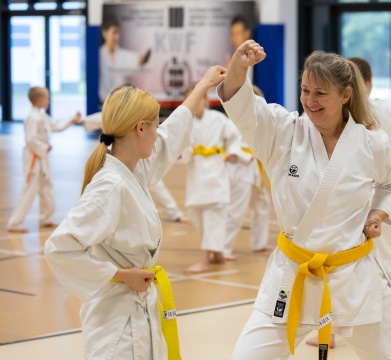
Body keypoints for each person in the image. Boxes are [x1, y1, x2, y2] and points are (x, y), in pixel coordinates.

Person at [220, 40, 391, 359]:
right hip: (291, 274)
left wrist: (378, 214)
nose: (310, 101)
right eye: (305, 90)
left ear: (345, 95)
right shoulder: (283, 133)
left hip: (352, 277)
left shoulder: (371, 143)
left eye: (320, 93)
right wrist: (240, 67)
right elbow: (243, 109)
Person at [44, 66, 226, 359]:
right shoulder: (110, 186)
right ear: (140, 128)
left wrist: (203, 85)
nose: (158, 134)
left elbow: (171, 134)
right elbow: (59, 249)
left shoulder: (133, 167)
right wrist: (120, 274)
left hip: (136, 311)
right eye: (155, 126)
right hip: (116, 324)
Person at [306, 56, 391, 348]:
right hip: (367, 198)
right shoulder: (380, 109)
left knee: (376, 262)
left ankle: (383, 318)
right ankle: (341, 324)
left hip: (375, 194)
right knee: (373, 260)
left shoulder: (367, 123)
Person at [181, 82, 244, 273]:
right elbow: (181, 145)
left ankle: (205, 259)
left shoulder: (218, 119)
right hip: (196, 172)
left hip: (216, 170)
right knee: (197, 215)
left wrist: (232, 152)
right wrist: (187, 152)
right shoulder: (186, 123)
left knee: (213, 215)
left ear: (206, 100)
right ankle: (216, 254)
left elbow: (235, 137)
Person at [83, 112, 190, 223]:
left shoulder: (139, 116)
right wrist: (82, 121)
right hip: (120, 156)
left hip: (137, 156)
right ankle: (174, 212)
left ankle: (174, 213)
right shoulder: (118, 112)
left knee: (157, 187)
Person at [6, 87, 82, 233]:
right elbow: (30, 139)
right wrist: (44, 147)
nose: (49, 101)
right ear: (40, 100)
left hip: (42, 156)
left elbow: (57, 126)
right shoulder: (32, 118)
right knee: (30, 189)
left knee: (46, 188)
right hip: (33, 157)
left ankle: (45, 218)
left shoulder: (42, 116)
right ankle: (14, 223)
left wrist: (72, 120)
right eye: (47, 98)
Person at [223, 85, 273, 261]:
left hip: (256, 171)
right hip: (240, 170)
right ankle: (224, 248)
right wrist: (243, 156)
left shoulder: (259, 122)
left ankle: (259, 243)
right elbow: (230, 149)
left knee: (262, 207)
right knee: (237, 210)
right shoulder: (231, 122)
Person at [99, 16, 152, 103]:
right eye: (114, 32)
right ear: (105, 33)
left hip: (121, 103)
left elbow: (137, 60)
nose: (116, 37)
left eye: (118, 33)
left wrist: (142, 60)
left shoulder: (123, 54)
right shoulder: (99, 54)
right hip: (103, 102)